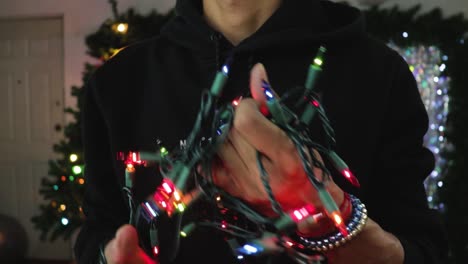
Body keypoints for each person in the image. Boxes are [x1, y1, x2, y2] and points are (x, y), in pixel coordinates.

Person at [74, 0, 448, 263]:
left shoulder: (379, 74)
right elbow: (97, 235)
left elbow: (423, 249)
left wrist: (337, 225)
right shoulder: (117, 83)